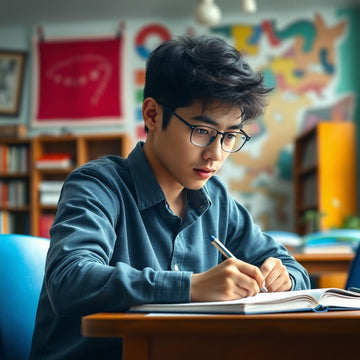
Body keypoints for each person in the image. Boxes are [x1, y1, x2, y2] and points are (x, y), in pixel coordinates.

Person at [30, 34, 310, 359]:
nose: (215, 155)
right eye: (202, 131)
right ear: (152, 115)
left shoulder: (215, 198)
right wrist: (191, 287)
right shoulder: (98, 185)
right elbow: (70, 279)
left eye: (230, 136)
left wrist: (283, 279)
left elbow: (291, 266)